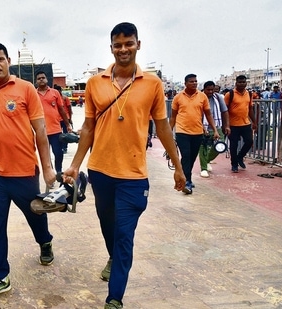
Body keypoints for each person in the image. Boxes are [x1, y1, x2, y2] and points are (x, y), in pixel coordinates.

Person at [63, 22, 185, 309]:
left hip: (133, 175)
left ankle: (114, 297)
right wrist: (75, 164)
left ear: (138, 45)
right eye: (118, 45)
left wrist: (178, 166)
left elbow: (164, 127)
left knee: (124, 235)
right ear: (111, 48)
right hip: (101, 171)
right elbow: (88, 127)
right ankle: (111, 257)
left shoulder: (153, 83)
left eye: (128, 43)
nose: (123, 49)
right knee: (108, 226)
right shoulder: (95, 83)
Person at [0, 42, 56, 301]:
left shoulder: (26, 90)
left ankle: (45, 240)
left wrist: (48, 169)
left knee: (35, 214)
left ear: (8, 61)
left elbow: (40, 131)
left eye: (0, 59)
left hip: (24, 171)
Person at [169, 74, 219, 194]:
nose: (194, 83)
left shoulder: (202, 97)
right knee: (186, 156)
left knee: (191, 158)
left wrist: (215, 130)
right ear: (185, 83)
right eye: (191, 81)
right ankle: (187, 182)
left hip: (197, 132)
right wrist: (169, 132)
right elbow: (173, 116)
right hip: (182, 132)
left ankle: (185, 178)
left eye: (196, 81)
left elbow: (208, 114)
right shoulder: (178, 97)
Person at [36, 71, 72, 173]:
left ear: (47, 79)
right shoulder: (33, 94)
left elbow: (61, 110)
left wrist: (68, 124)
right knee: (45, 156)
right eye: (39, 78)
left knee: (58, 153)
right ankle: (50, 173)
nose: (41, 79)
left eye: (43, 77)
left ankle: (59, 171)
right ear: (36, 81)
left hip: (56, 130)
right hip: (41, 131)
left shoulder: (55, 93)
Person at [224, 75, 257, 173]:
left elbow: (250, 109)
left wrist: (254, 122)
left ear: (246, 83)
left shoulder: (249, 94)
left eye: (243, 82)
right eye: (240, 82)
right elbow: (224, 110)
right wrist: (225, 125)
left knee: (249, 141)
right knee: (233, 145)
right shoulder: (230, 94)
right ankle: (234, 164)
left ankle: (240, 157)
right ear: (236, 83)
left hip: (245, 123)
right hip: (232, 125)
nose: (242, 84)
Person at [198, 81, 230, 177]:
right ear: (204, 89)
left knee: (220, 146)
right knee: (202, 147)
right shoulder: (199, 98)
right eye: (208, 90)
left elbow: (225, 112)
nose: (211, 92)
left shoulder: (219, 98)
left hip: (216, 125)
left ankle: (207, 160)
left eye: (212, 89)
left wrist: (227, 125)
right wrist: (202, 127)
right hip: (201, 125)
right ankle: (203, 168)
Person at [54, 84, 73, 153]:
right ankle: (61, 146)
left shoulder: (65, 98)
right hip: (57, 119)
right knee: (58, 134)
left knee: (65, 134)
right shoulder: (54, 98)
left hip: (65, 119)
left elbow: (69, 108)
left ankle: (65, 147)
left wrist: (70, 119)